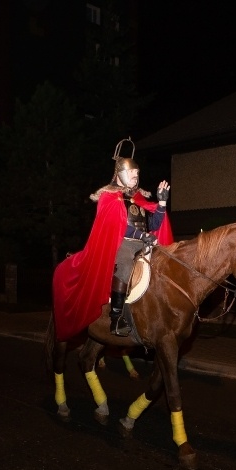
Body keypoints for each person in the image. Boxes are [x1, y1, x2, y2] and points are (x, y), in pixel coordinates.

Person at [51, 139, 173, 341]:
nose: (136, 177)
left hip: (145, 243)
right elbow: (117, 226)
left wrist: (161, 202)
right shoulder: (109, 197)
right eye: (132, 174)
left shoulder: (139, 198)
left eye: (137, 174)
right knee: (125, 264)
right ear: (120, 174)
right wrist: (142, 236)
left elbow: (154, 224)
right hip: (123, 242)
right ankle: (116, 316)